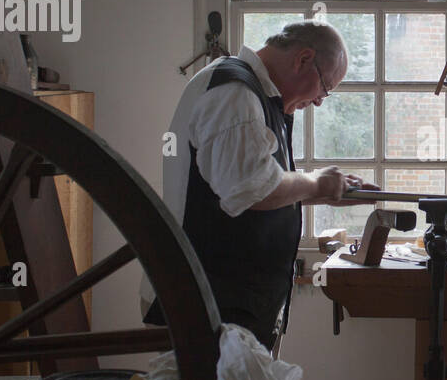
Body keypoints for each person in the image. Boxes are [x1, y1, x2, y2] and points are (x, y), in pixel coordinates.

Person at [143, 20, 376, 352]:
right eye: (325, 87)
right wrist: (317, 184)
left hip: (231, 303)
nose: (321, 101)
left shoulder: (256, 95)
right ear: (303, 59)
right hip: (205, 302)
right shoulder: (234, 94)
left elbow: (249, 186)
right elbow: (252, 188)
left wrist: (324, 191)